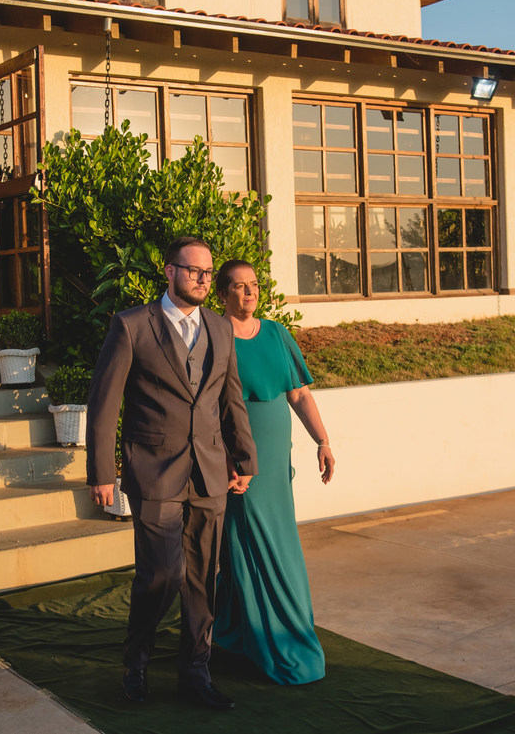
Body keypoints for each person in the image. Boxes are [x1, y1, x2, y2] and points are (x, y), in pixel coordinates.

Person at [86, 236, 258, 711]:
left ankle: (195, 675)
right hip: (153, 470)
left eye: (208, 272)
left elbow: (230, 397)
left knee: (203, 579)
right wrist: (101, 472)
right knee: (161, 575)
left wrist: (244, 458)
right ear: (168, 271)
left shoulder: (220, 327)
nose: (202, 279)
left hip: (210, 473)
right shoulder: (131, 325)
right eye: (193, 270)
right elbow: (104, 402)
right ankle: (135, 665)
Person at [212, 259, 336, 685]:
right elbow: (206, 407)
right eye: (239, 286)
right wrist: (226, 458)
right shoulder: (213, 336)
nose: (249, 292)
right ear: (222, 294)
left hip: (276, 462)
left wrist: (322, 441)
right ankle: (269, 640)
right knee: (250, 544)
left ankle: (231, 634)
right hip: (238, 462)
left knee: (272, 541)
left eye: (253, 285)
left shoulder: (278, 334)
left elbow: (299, 395)